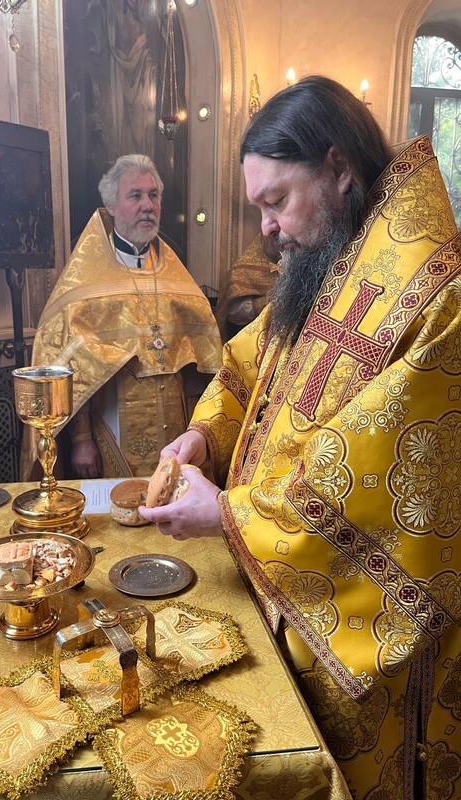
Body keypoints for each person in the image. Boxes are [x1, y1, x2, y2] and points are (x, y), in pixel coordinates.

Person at [139, 76, 461, 800]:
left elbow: (382, 497)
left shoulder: (434, 296)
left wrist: (227, 515)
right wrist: (205, 434)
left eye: (276, 201)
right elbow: (252, 362)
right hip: (278, 589)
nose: (266, 227)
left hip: (362, 642)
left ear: (338, 168)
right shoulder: (336, 255)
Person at [26, 154, 222, 478]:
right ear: (111, 206)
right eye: (135, 195)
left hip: (174, 425)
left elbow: (204, 359)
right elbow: (70, 365)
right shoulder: (85, 276)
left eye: (153, 195)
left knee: (171, 500)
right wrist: (81, 439)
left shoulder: (174, 271)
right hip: (112, 424)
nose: (148, 205)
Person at [223, 232, 280, 331]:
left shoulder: (289, 267)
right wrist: (263, 303)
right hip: (250, 332)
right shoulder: (241, 270)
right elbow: (233, 313)